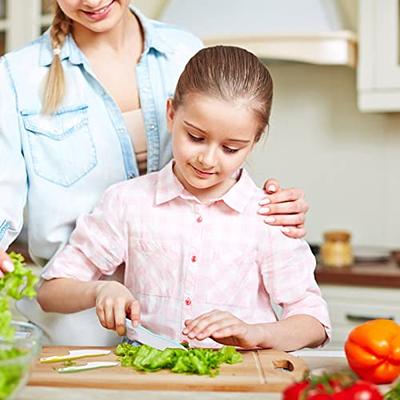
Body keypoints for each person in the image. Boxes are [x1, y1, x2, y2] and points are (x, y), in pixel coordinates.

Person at [0, 1, 308, 344]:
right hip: (74, 322)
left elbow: (221, 142)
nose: (91, 0)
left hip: (167, 325)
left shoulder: (183, 50)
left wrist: (274, 207)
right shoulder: (17, 76)